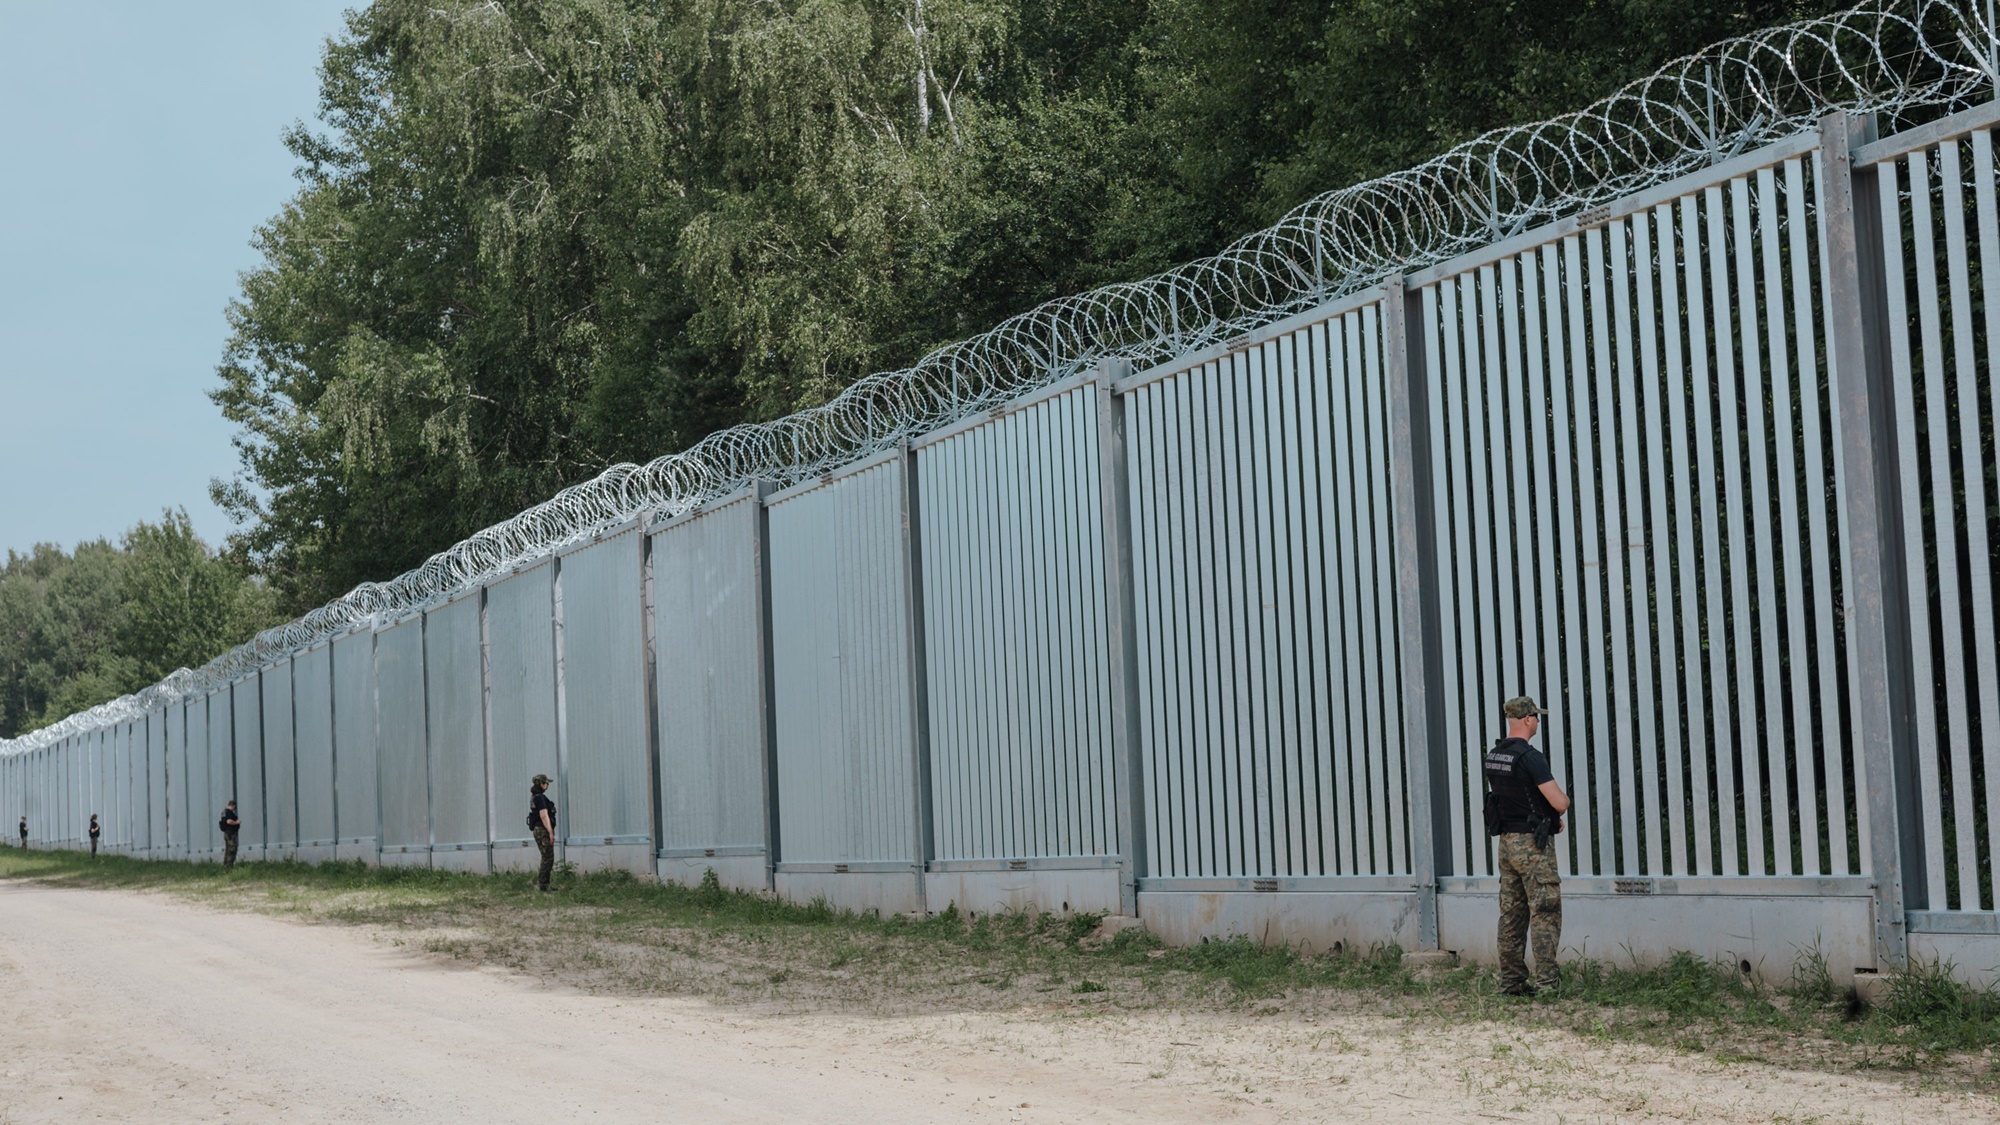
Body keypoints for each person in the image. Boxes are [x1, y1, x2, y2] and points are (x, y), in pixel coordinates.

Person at [1484, 696, 1571, 997]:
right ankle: (1548, 985)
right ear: (1528, 719)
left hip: (1507, 844)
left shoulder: (1495, 755)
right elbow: (1559, 801)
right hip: (1532, 846)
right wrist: (1557, 812)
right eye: (1536, 716)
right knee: (1545, 910)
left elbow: (1514, 798)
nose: (1537, 722)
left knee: (1511, 914)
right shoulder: (1531, 757)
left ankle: (1512, 983)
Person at [528, 774, 557, 892]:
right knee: (548, 857)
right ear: (541, 784)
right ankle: (544, 885)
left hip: (537, 829)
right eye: (546, 783)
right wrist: (550, 832)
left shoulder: (534, 797)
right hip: (542, 829)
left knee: (546, 857)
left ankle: (543, 884)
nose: (547, 785)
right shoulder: (540, 798)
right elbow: (544, 815)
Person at [219, 800, 242, 870]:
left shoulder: (224, 812)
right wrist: (237, 822)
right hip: (231, 834)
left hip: (227, 833)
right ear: (233, 806)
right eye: (234, 808)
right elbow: (229, 821)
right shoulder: (229, 812)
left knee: (228, 850)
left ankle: (226, 866)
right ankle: (229, 867)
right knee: (232, 850)